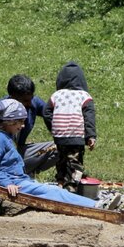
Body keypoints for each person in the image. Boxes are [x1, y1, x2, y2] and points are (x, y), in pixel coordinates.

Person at [0, 99, 124, 210]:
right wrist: (6, 183)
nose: (23, 126)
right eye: (20, 122)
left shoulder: (2, 137)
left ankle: (95, 202)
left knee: (52, 189)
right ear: (9, 122)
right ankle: (95, 205)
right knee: (51, 192)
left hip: (19, 180)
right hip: (15, 184)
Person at [0, 74, 58, 177]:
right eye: (25, 101)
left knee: (61, 146)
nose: (29, 103)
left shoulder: (33, 103)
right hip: (2, 157)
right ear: (12, 98)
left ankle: (26, 171)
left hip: (19, 152)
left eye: (31, 98)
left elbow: (50, 114)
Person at [44, 61, 97, 194]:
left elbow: (46, 113)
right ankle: (71, 188)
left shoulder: (56, 95)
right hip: (76, 135)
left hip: (60, 136)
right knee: (74, 163)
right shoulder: (84, 96)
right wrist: (90, 136)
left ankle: (60, 182)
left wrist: (55, 126)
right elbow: (89, 118)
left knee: (61, 159)